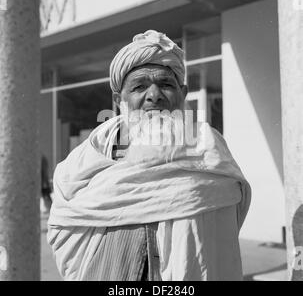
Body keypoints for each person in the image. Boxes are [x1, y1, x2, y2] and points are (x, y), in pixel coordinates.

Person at [47, 30, 251, 281]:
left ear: (183, 93)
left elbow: (223, 233)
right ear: (118, 99)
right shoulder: (94, 151)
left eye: (166, 84)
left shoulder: (208, 148)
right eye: (139, 86)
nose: (154, 95)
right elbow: (64, 220)